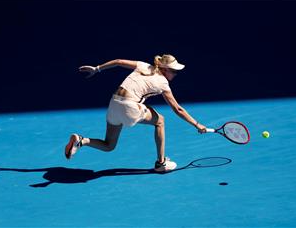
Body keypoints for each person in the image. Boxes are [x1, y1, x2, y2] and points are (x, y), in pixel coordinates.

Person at [65, 54, 207, 172]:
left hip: (114, 103)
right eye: (173, 71)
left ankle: (81, 140)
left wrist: (97, 68)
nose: (176, 74)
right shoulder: (163, 83)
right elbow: (178, 109)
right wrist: (197, 124)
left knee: (109, 145)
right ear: (164, 69)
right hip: (129, 106)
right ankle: (161, 163)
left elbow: (119, 62)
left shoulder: (144, 65)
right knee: (160, 121)